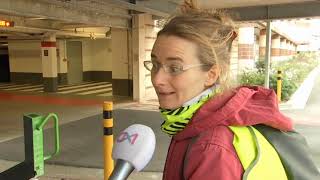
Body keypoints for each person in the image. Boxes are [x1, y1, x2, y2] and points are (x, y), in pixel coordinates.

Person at [143, 0, 294, 179]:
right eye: (155, 64)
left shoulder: (211, 147)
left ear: (211, 74)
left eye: (175, 68)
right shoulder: (196, 123)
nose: (157, 79)